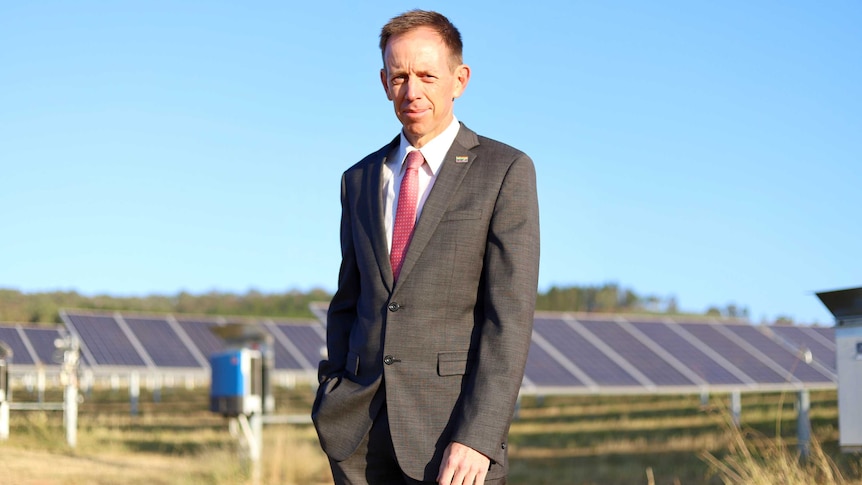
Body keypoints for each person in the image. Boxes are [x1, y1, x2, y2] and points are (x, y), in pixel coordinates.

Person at [312, 9, 540, 485]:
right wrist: (331, 392)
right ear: (383, 81)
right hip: (358, 440)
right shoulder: (358, 179)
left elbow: (509, 320)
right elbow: (348, 302)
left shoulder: (504, 171)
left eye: (426, 75)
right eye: (399, 76)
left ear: (460, 79)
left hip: (452, 444)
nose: (411, 90)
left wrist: (479, 436)